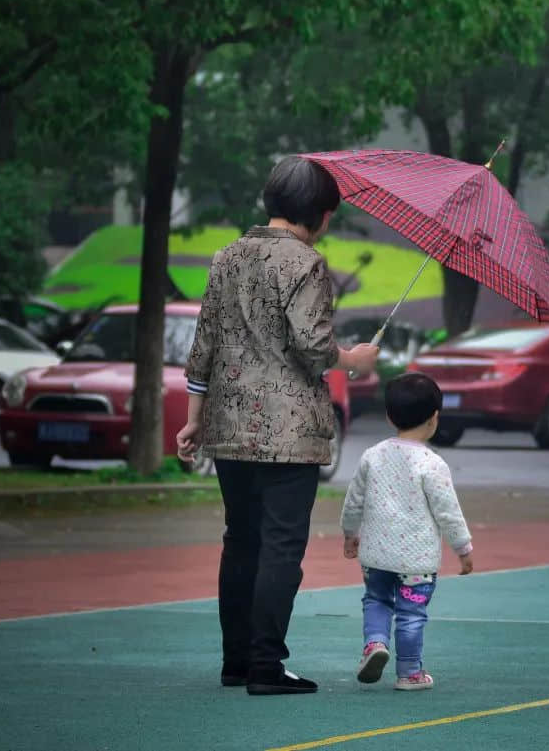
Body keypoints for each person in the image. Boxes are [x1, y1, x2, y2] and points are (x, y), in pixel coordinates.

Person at [177, 156, 379, 696]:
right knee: (281, 547)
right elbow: (313, 348)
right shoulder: (307, 264)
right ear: (319, 212)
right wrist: (354, 358)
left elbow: (204, 346)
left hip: (229, 425)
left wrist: (194, 419)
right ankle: (268, 665)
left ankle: (236, 661)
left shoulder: (226, 258)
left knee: (239, 540)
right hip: (290, 434)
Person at [340, 372, 474, 691]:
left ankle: (374, 644)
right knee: (411, 613)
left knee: (376, 600)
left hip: (376, 556)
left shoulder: (372, 456)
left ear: (388, 416)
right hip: (416, 562)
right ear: (434, 418)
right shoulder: (431, 463)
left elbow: (354, 499)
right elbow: (448, 512)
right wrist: (463, 548)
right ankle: (410, 672)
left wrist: (349, 533)